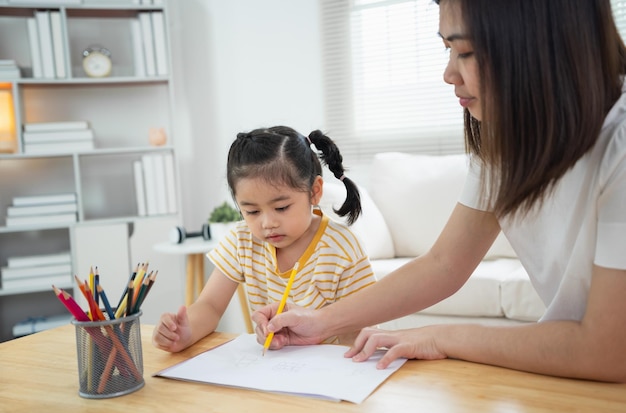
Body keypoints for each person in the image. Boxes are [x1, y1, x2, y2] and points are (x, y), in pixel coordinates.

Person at [252, 0, 626, 382]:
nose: (449, 74)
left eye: (465, 51)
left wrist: (441, 336)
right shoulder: (506, 139)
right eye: (447, 49)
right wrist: (319, 321)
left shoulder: (620, 145)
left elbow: (608, 349)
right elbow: (444, 264)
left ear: (541, 43)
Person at [152, 126, 376, 352]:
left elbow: (359, 331)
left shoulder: (342, 249)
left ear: (314, 191)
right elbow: (210, 305)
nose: (267, 223)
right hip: (268, 370)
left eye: (281, 207)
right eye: (252, 212)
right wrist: (185, 332)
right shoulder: (243, 240)